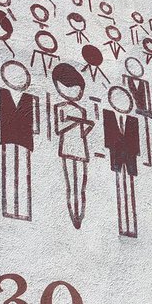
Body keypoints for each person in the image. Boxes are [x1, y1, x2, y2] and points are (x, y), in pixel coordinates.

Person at [0, 60, 37, 221]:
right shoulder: (2, 93)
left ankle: (23, 210)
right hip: (8, 137)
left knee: (24, 173)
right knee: (9, 171)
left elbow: (35, 126)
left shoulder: (29, 98)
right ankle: (10, 208)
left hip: (24, 139)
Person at [52, 62, 93, 229]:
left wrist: (86, 126)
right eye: (66, 87)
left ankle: (80, 215)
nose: (71, 92)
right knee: (70, 183)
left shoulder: (82, 110)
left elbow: (83, 132)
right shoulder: (60, 107)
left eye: (75, 89)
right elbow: (59, 129)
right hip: (67, 147)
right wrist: (74, 122)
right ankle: (72, 213)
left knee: (82, 184)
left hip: (81, 148)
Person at [104, 85, 142, 237]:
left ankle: (130, 227)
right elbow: (110, 141)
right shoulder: (109, 117)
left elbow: (135, 145)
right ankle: (124, 226)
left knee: (129, 187)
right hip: (118, 156)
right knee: (120, 184)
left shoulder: (132, 121)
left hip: (129, 157)